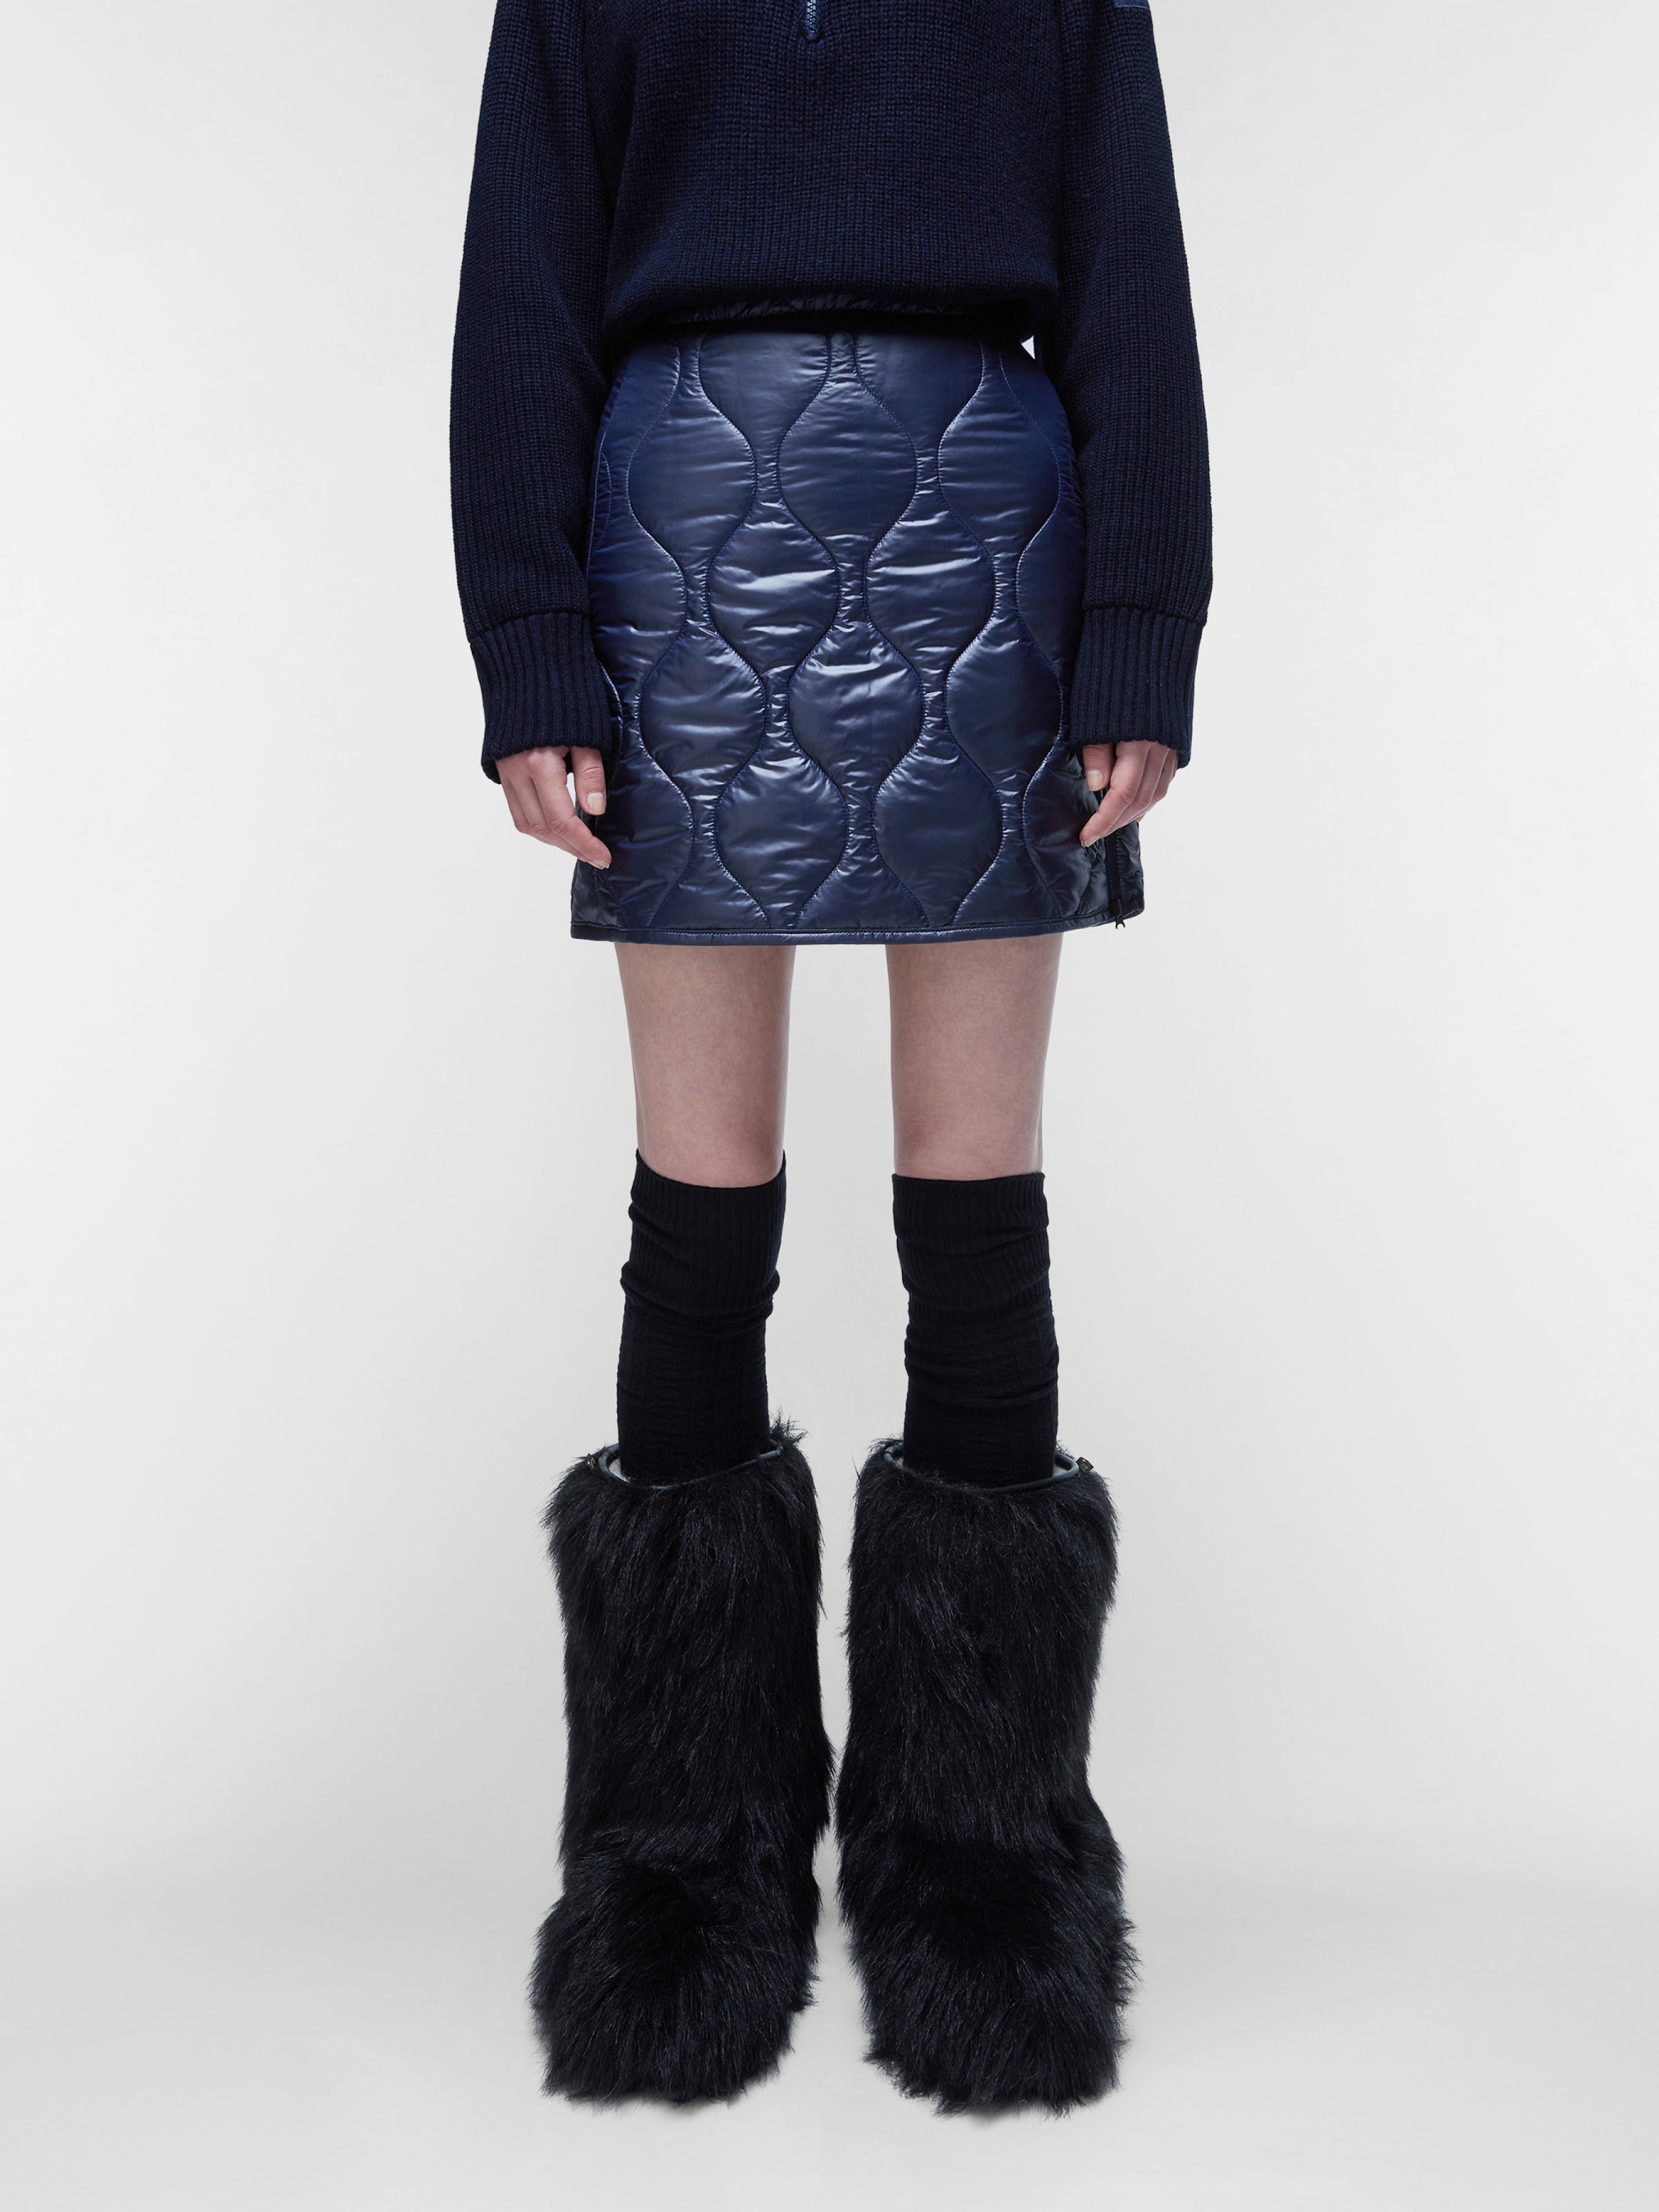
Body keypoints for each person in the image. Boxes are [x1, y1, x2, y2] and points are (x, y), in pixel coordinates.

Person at [450, 0, 1210, 2114]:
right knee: (702, 1194)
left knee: (976, 1191)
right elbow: (522, 295)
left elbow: (1130, 276)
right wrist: (529, 653)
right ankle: (677, 1862)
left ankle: (985, 1861)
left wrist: (1144, 629)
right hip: (679, 532)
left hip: (993, 532)